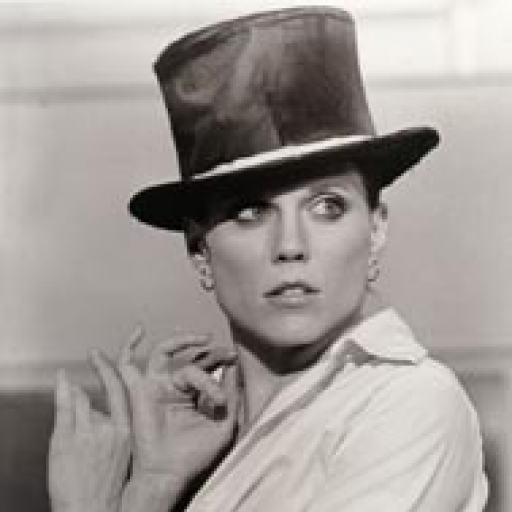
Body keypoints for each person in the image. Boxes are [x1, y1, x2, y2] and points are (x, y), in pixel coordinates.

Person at [48, 6, 488, 512]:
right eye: (250, 212)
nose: (290, 245)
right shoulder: (184, 428)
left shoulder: (410, 402)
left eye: (327, 207)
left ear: (375, 229)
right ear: (200, 251)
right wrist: (155, 482)